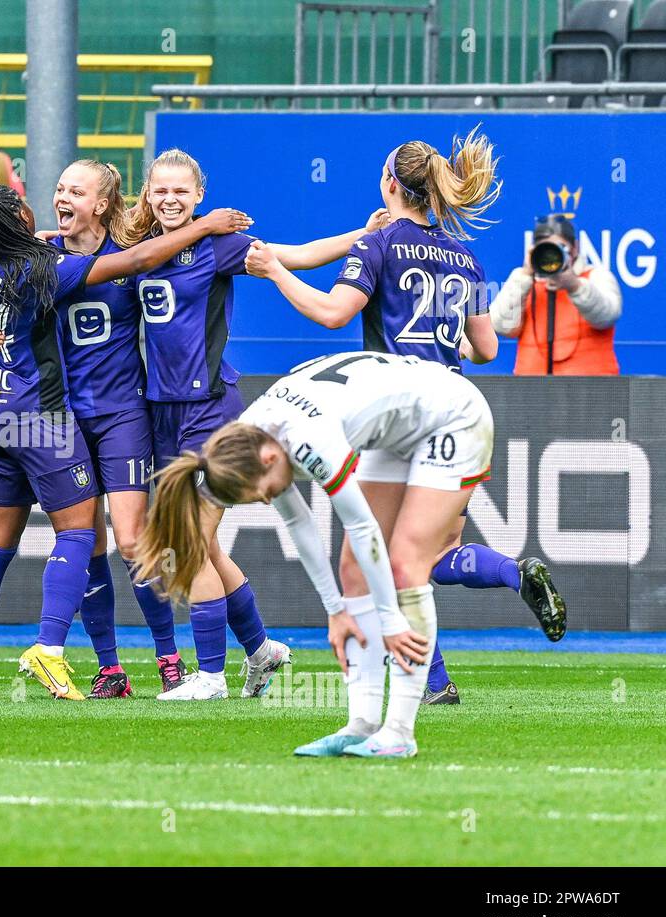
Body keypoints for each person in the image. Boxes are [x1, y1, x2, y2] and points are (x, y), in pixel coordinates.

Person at [244, 129, 566, 706]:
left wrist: (275, 273)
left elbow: (332, 313)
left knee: (377, 557)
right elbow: (488, 348)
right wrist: (443, 346)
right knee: (429, 556)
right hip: (455, 411)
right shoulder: (464, 257)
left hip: (394, 413)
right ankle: (516, 577)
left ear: (390, 183)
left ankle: (422, 688)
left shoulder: (381, 243)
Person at [0, 182, 246, 701]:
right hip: (46, 415)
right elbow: (138, 260)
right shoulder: (46, 265)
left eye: (70, 189)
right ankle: (57, 651)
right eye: (50, 192)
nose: (53, 198)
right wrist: (204, 224)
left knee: (14, 539)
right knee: (83, 537)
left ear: (101, 203)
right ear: (16, 217)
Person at [136, 351, 515, 757]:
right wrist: (336, 610)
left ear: (269, 459)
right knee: (353, 569)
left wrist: (389, 619)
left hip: (453, 415)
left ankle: (400, 733)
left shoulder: (305, 440)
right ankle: (361, 724)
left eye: (263, 492)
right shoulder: (249, 439)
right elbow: (300, 525)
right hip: (398, 426)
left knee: (405, 564)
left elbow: (362, 526)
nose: (267, 501)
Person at [119, 147, 389, 702]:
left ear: (199, 196)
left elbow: (298, 255)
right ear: (148, 196)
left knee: (190, 542)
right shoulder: (139, 250)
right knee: (209, 549)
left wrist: (361, 237)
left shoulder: (218, 245)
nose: (170, 199)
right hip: (159, 415)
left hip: (209, 412)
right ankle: (261, 650)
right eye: (160, 191)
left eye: (181, 191)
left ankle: (211, 676)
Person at [490, 213, 622, 375]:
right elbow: (502, 326)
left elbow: (607, 315)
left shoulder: (596, 276)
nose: (552, 256)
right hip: (531, 392)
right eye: (545, 249)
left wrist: (574, 285)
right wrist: (524, 276)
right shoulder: (524, 282)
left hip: (591, 391)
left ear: (575, 249)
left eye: (560, 248)